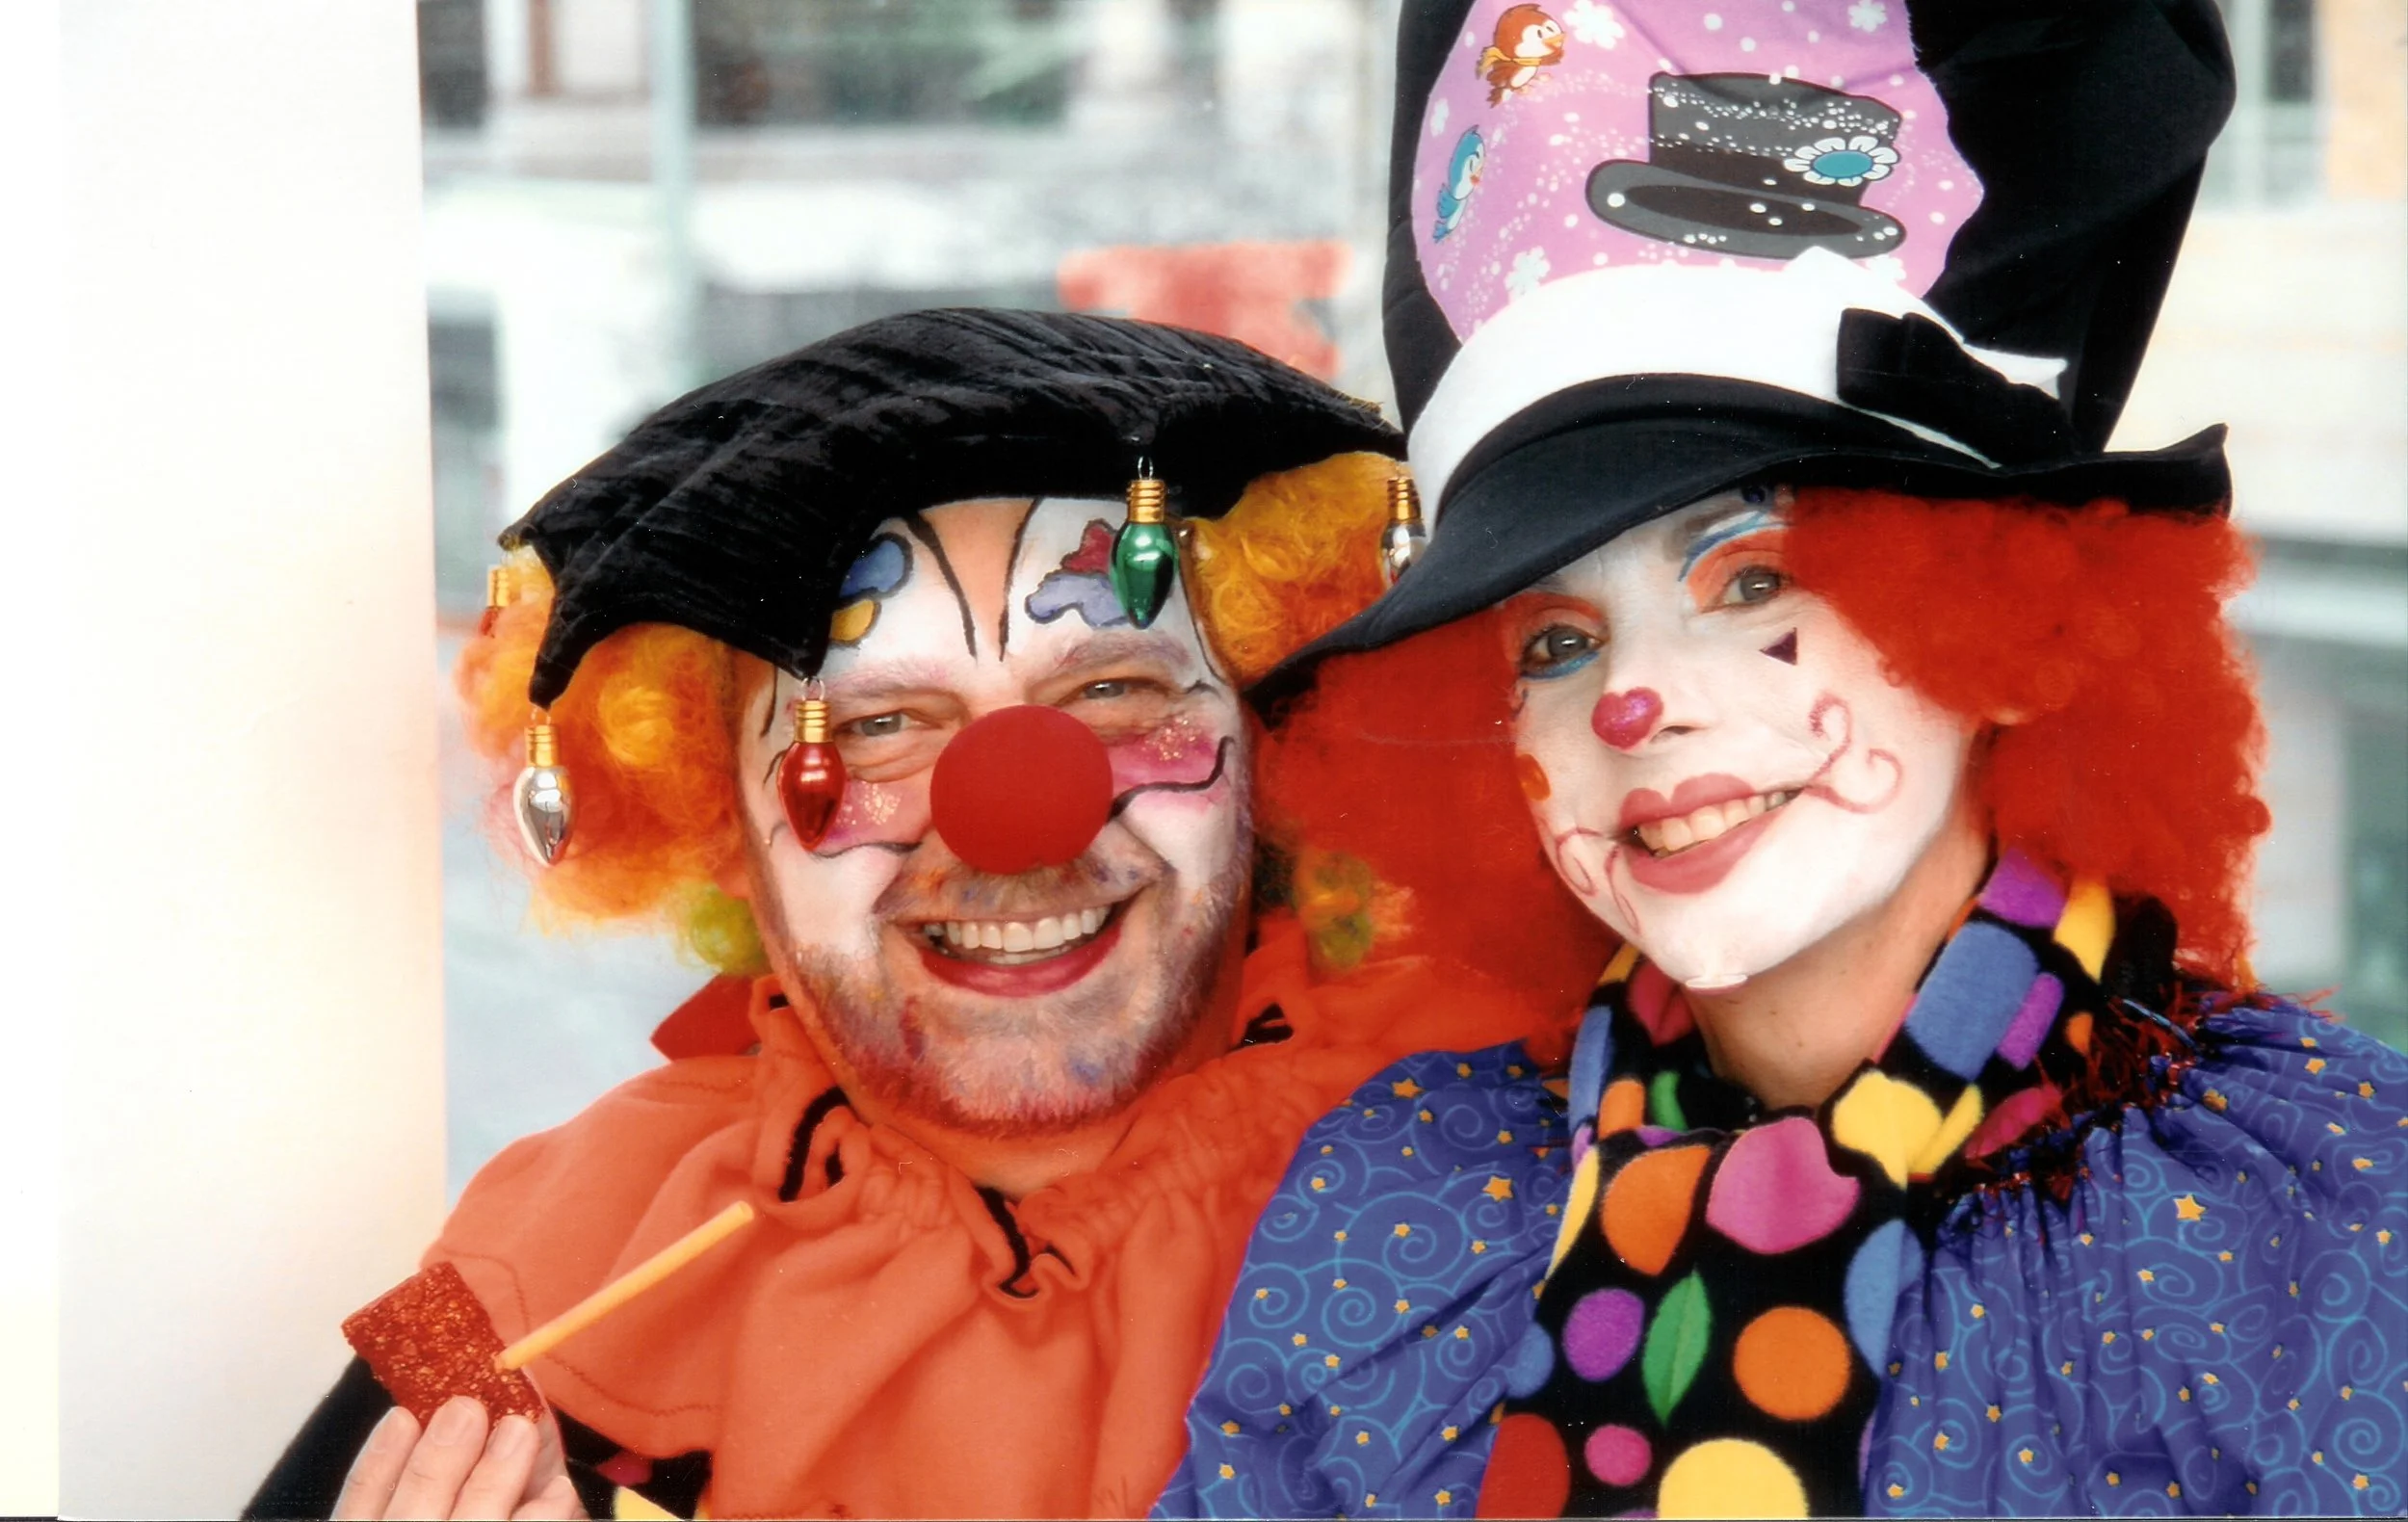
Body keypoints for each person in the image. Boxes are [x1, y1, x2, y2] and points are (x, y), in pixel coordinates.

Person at [1157, 0, 2408, 1516]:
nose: (1637, 706)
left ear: (2002, 631)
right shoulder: (1396, 1198)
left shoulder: (2330, 1212)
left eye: (1751, 580)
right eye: (1552, 643)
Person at [246, 309, 1599, 1520]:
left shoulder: (1501, 1177)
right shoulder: (554, 1285)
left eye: (1115, 693)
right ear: (715, 817)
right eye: (878, 729)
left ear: (1278, 740)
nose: (1017, 819)